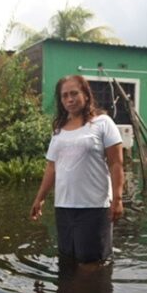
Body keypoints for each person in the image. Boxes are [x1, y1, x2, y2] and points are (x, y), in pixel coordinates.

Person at [30, 75, 124, 264]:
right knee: (68, 260)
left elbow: (116, 163)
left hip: (94, 207)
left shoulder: (102, 123)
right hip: (64, 207)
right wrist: (39, 198)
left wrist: (118, 199)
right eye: (64, 96)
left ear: (86, 95)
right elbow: (52, 167)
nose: (69, 99)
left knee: (91, 264)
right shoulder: (59, 129)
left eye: (74, 93)